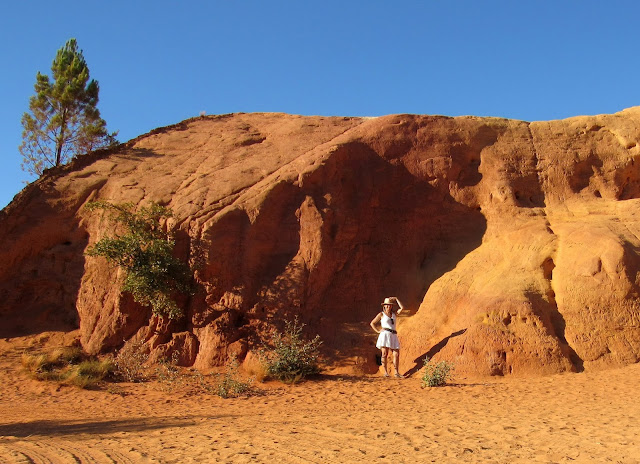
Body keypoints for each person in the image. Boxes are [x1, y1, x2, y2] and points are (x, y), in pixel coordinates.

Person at [370, 296, 405, 378]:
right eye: (387, 305)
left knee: (396, 354)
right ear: (384, 306)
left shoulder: (394, 314)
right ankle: (385, 372)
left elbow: (402, 308)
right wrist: (378, 331)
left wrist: (396, 299)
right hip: (385, 334)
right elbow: (372, 323)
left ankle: (396, 372)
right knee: (384, 353)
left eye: (390, 305)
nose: (389, 306)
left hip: (393, 335)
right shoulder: (381, 314)